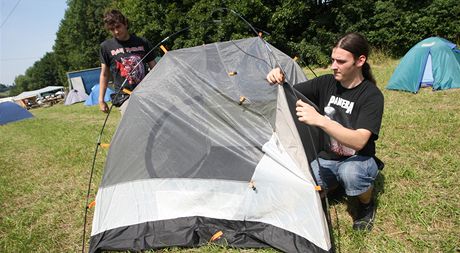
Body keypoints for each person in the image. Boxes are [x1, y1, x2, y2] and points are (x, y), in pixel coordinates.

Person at [266, 32, 384, 231]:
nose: (333, 66)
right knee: (300, 181)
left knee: (351, 173)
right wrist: (278, 76)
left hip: (358, 159)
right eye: (332, 60)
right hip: (327, 159)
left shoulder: (371, 95)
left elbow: (358, 142)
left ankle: (365, 205)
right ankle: (336, 187)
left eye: (340, 61)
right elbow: (290, 90)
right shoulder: (326, 83)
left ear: (360, 61)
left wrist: (321, 120)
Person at [99, 9, 156, 115]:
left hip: (146, 92)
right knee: (133, 125)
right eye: (112, 29)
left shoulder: (142, 42)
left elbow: (155, 68)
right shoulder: (106, 47)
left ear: (125, 23)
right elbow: (105, 74)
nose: (116, 31)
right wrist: (101, 99)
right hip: (124, 96)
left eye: (118, 27)